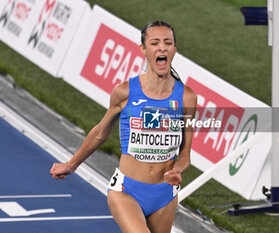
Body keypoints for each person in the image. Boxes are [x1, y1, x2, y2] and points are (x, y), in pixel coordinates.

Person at [50, 20, 197, 233]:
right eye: (155, 43)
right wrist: (71, 165)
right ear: (144, 50)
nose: (162, 47)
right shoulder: (125, 92)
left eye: (168, 42)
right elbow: (101, 132)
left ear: (175, 49)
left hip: (165, 195)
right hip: (127, 190)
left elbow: (185, 154)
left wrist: (177, 170)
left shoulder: (187, 97)